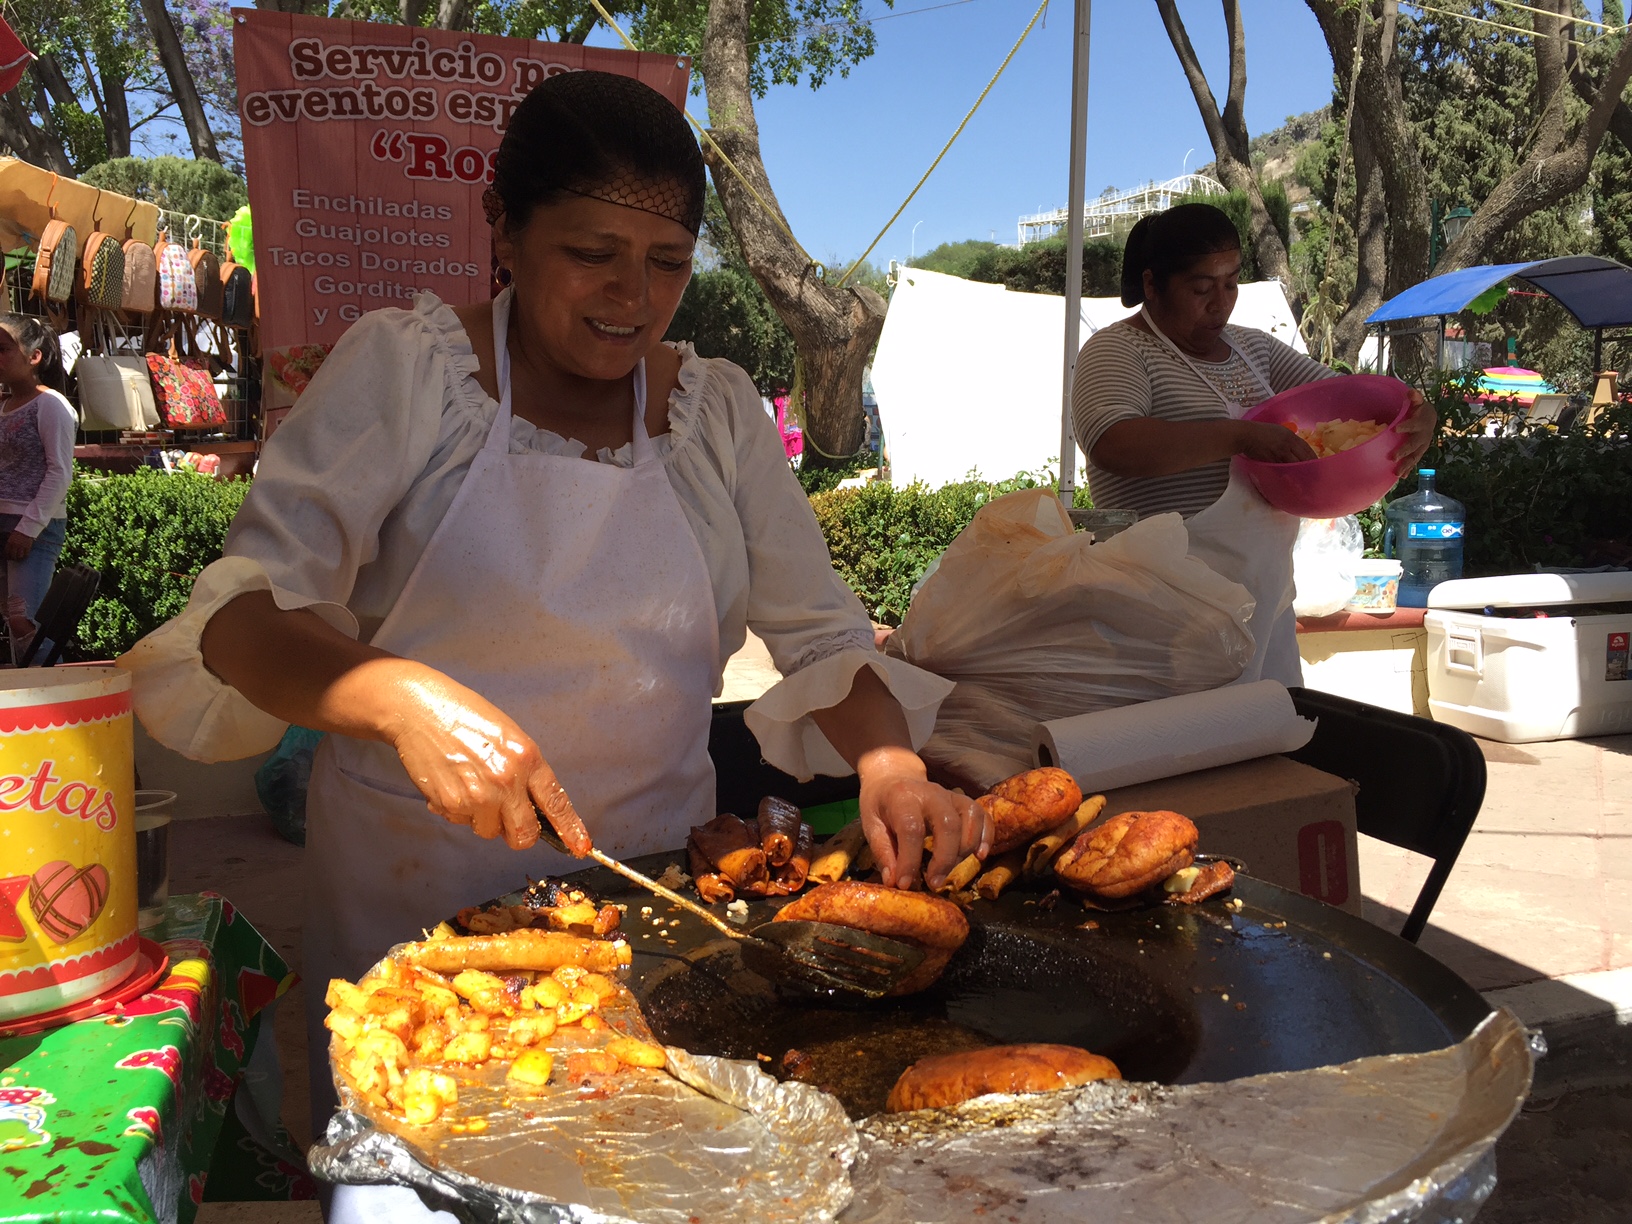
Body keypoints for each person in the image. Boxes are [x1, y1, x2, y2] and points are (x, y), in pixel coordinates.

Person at [120, 70, 990, 1185]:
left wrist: (888, 760)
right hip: (413, 912)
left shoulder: (716, 413)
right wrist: (403, 699)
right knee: (432, 1168)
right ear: (506, 232)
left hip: (656, 902)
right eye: (592, 252)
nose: (633, 294)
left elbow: (823, 637)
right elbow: (243, 624)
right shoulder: (409, 371)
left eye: (668, 263)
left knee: (634, 1173)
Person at [1071, 203, 1433, 684]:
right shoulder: (1117, 350)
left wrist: (1416, 411)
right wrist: (1241, 436)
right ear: (1153, 285)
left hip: (1264, 608)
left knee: (1267, 742)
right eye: (1201, 288)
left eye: (1231, 282)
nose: (1220, 302)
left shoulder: (1253, 348)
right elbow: (1113, 442)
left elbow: (1352, 403)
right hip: (1164, 614)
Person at [0, 315, 74, 660]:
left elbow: (60, 473)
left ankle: (55, 699)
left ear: (35, 356)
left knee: (23, 620)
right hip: (5, 523)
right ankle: (28, 701)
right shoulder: (4, 406)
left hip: (33, 528)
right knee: (11, 619)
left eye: (3, 350)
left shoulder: (51, 405)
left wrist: (27, 529)